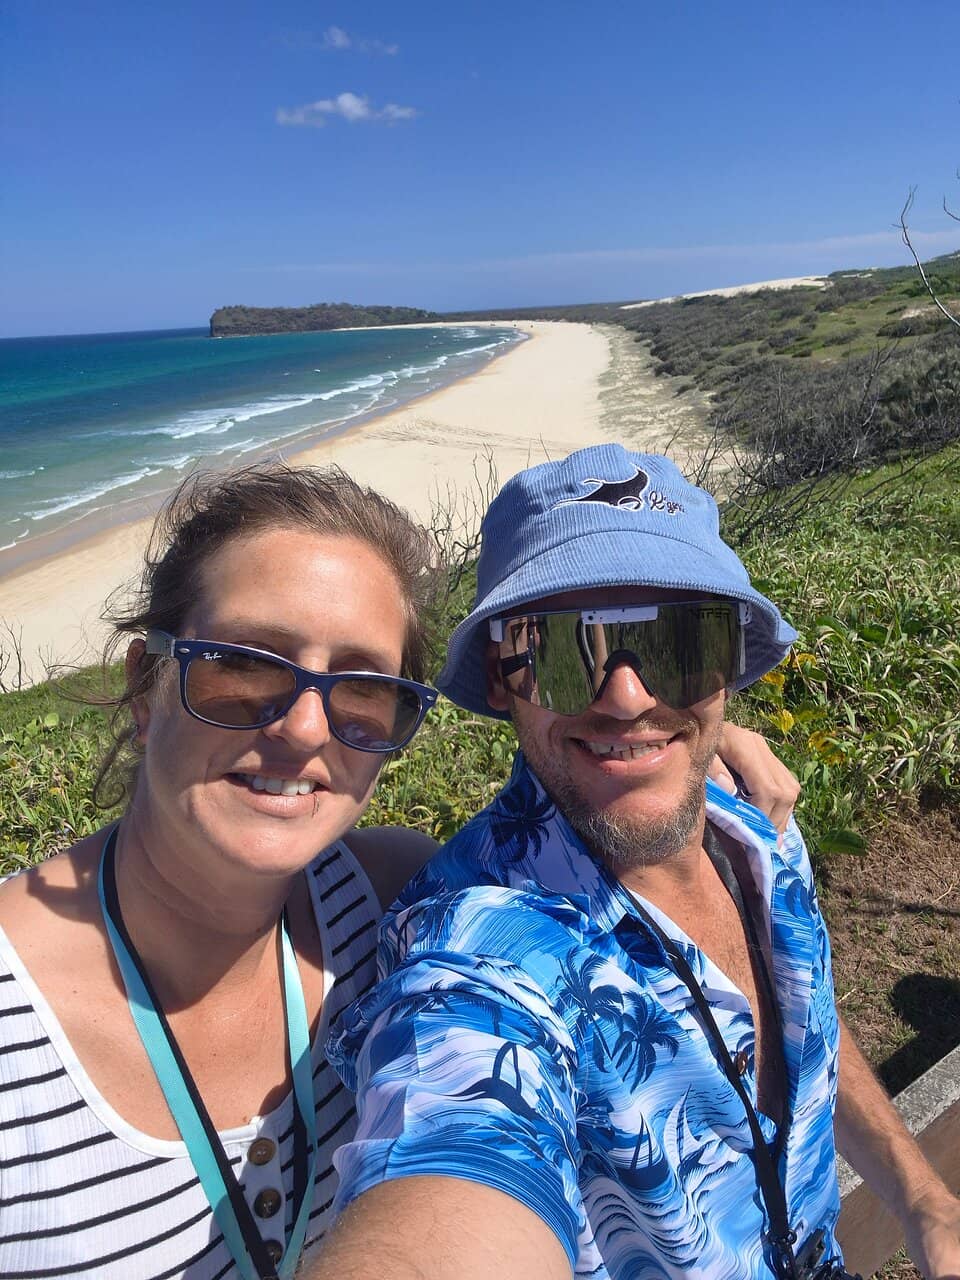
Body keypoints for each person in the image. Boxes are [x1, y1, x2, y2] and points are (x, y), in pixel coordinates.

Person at [0, 460, 794, 1280]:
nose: (306, 729)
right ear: (146, 684)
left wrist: (687, 740)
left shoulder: (385, 897)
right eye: (244, 668)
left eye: (362, 690)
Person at [316, 446, 960, 1280]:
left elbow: (809, 1035)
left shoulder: (754, 825)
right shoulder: (483, 951)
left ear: (727, 663)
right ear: (501, 678)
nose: (626, 697)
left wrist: (922, 1197)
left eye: (675, 642)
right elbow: (450, 1156)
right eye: (560, 650)